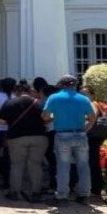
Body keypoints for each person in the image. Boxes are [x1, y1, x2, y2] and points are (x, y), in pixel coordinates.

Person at [42, 75, 95, 205]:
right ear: (75, 85)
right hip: (80, 134)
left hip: (62, 135)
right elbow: (92, 118)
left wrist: (54, 117)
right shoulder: (84, 99)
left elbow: (45, 117)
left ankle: (62, 196)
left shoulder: (54, 98)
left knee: (63, 166)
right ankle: (84, 195)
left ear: (61, 84)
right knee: (83, 166)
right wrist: (85, 130)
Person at [0, 84, 47, 203]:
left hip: (16, 138)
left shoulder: (10, 103)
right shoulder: (39, 103)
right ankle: (36, 193)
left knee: (16, 165)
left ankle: (15, 192)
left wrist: (11, 122)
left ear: (17, 92)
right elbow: (47, 118)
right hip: (39, 137)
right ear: (30, 91)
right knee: (35, 165)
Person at [79, 85, 107, 197]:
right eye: (81, 94)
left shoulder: (92, 104)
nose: (83, 96)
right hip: (92, 136)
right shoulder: (86, 104)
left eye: (85, 94)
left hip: (93, 137)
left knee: (93, 161)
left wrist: (83, 132)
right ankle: (94, 187)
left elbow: (92, 119)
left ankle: (96, 188)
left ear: (92, 95)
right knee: (91, 161)